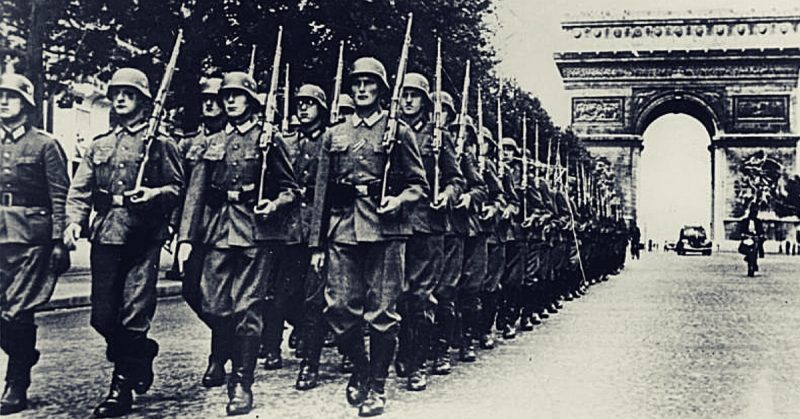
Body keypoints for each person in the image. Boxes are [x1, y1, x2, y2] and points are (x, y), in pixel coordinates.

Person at [309, 57, 428, 417]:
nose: (361, 89)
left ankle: (376, 386)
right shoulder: (335, 133)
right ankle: (360, 370)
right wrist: (316, 244)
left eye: (369, 83)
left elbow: (418, 185)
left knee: (382, 313)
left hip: (386, 229)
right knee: (340, 309)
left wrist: (399, 200)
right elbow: (321, 192)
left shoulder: (400, 133)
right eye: (357, 83)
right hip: (343, 228)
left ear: (381, 90)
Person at [64, 68, 184, 417]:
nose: (119, 99)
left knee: (133, 313)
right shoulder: (100, 144)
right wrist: (74, 222)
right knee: (102, 317)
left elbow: (177, 189)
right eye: (115, 93)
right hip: (106, 234)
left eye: (127, 94)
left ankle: (121, 389)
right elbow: (80, 190)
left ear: (143, 102)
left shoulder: (161, 143)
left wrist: (153, 194)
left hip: (143, 236)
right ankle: (141, 354)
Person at [177, 71, 298, 415]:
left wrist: (272, 204)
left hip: (255, 232)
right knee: (213, 304)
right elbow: (196, 192)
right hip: (217, 230)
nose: (229, 100)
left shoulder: (267, 139)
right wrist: (186, 237)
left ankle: (241, 384)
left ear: (251, 100)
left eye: (237, 95)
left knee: (247, 308)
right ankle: (226, 350)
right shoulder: (212, 140)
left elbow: (291, 189)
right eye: (226, 95)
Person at [0, 73, 70, 415]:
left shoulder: (45, 145)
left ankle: (16, 382)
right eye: (0, 96)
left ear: (26, 106)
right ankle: (24, 354)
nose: (2, 102)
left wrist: (59, 241)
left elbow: (60, 196)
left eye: (10, 97)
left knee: (18, 312)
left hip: (32, 239)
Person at [395, 73, 462, 391]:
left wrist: (446, 195)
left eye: (415, 95)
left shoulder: (439, 137)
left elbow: (456, 179)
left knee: (420, 298)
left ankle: (418, 362)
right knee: (395, 297)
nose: (408, 100)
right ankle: (404, 350)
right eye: (404, 94)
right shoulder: (389, 131)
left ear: (425, 101)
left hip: (428, 226)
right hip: (393, 224)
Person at [260, 83, 329, 390]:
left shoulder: (330, 140)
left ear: (321, 109)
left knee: (315, 298)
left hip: (320, 226)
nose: (302, 108)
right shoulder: (287, 142)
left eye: (309, 103)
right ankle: (293, 333)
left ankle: (310, 364)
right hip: (289, 228)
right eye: (299, 103)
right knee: (282, 295)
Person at [172, 77, 229, 388]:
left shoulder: (231, 138)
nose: (209, 103)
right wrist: (176, 228)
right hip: (192, 227)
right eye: (205, 98)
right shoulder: (188, 143)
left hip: (224, 224)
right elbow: (181, 188)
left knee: (217, 297)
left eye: (216, 98)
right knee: (191, 291)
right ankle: (230, 334)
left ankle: (218, 358)